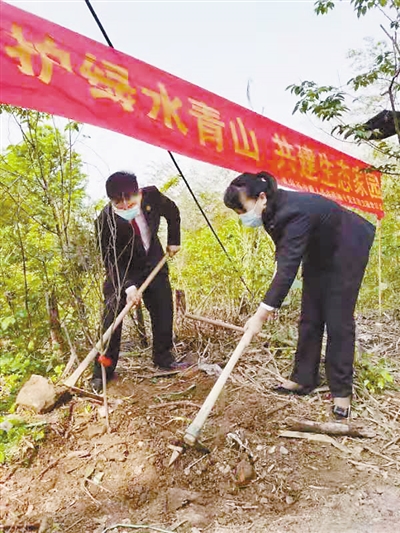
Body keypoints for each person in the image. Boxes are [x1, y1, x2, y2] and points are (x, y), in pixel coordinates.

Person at [223, 171, 375, 418]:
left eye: (243, 210)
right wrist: (271, 298)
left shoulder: (294, 212)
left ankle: (341, 391)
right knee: (310, 315)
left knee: (338, 320)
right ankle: (303, 378)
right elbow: (284, 257)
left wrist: (261, 315)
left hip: (348, 248)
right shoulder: (270, 213)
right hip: (317, 252)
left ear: (261, 197)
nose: (242, 217)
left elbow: (288, 270)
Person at [91, 171, 189, 393]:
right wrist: (128, 287)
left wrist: (174, 240)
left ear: (139, 192)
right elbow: (110, 260)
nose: (126, 206)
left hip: (152, 262)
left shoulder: (152, 196)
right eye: (120, 203)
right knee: (111, 320)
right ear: (111, 200)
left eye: (131, 200)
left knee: (163, 309)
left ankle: (164, 358)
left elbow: (172, 212)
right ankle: (103, 372)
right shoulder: (104, 222)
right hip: (122, 271)